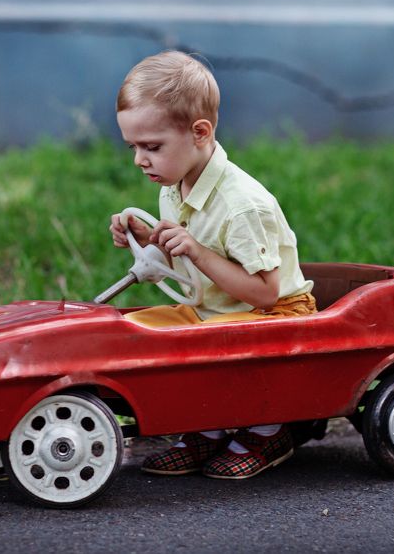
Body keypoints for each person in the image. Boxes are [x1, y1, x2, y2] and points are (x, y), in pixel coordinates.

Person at [109, 50, 316, 480]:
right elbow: (181, 260)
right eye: (133, 147)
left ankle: (269, 429)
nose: (139, 160)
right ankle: (210, 424)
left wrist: (197, 251)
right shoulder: (174, 182)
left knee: (222, 341)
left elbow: (265, 292)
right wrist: (150, 242)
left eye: (152, 147)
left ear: (200, 133)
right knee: (142, 331)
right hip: (215, 309)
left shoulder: (241, 206)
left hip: (274, 315)